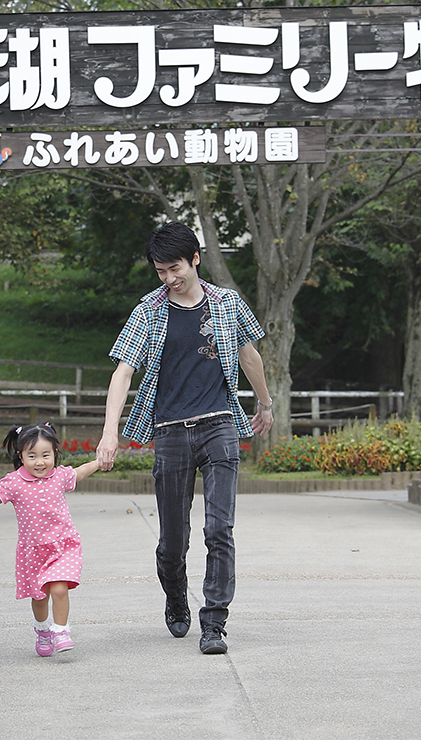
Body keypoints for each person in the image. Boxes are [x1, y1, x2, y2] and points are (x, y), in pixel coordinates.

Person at [96, 222, 273, 655]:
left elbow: (249, 355)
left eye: (174, 268)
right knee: (173, 542)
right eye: (160, 271)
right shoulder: (149, 311)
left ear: (195, 259)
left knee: (220, 529)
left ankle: (214, 622)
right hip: (170, 431)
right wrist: (109, 434)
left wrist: (265, 404)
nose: (169, 278)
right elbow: (123, 371)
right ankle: (176, 597)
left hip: (220, 425)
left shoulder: (227, 303)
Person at [0, 423, 102, 657]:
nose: (39, 462)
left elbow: (81, 472)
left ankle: (61, 631)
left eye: (46, 455)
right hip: (33, 551)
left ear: (55, 453)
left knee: (59, 588)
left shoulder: (61, 476)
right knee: (40, 598)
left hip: (63, 545)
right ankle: (43, 630)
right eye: (32, 456)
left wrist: (99, 462)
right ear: (20, 456)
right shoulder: (14, 482)